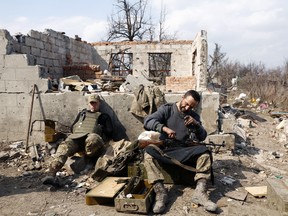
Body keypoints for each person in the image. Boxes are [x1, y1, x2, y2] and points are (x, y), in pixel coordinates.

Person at [142, 90, 217, 214]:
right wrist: (164, 128)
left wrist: (197, 125)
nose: (187, 108)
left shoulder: (193, 116)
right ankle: (161, 193)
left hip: (184, 149)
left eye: (191, 106)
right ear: (182, 97)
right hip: (167, 148)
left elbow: (202, 137)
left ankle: (200, 193)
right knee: (148, 153)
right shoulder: (167, 110)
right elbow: (148, 121)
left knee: (205, 153)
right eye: (186, 104)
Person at [42, 94, 113, 184]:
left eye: (95, 103)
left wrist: (101, 128)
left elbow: (110, 131)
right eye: (91, 103)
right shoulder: (82, 114)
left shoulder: (103, 116)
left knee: (92, 139)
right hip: (77, 139)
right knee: (64, 147)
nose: (93, 105)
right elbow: (73, 128)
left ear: (99, 104)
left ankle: (89, 163)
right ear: (88, 104)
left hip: (93, 143)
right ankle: (51, 173)